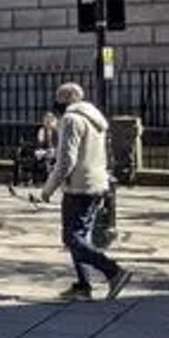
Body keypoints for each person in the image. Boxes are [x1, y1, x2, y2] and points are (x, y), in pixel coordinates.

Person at [37, 82, 130, 300]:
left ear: (66, 100)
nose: (55, 104)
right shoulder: (95, 118)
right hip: (98, 183)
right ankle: (83, 286)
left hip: (79, 186)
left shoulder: (71, 119)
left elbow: (66, 161)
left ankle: (114, 272)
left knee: (71, 237)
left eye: (58, 99)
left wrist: (48, 189)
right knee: (82, 235)